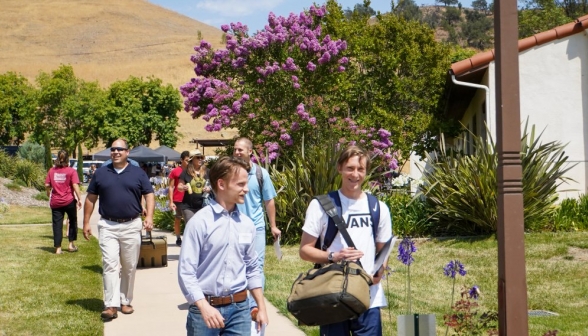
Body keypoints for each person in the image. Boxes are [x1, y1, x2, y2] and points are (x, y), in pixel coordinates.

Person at [299, 145, 393, 336]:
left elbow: (384, 251)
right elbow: (305, 250)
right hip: (333, 296)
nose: (355, 174)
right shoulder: (321, 206)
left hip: (368, 298)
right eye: (350, 168)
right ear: (340, 168)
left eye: (361, 169)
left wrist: (379, 273)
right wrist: (334, 256)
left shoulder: (379, 208)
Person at [178, 156, 269, 335]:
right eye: (241, 184)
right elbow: (186, 272)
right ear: (221, 184)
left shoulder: (247, 224)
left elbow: (252, 268)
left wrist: (261, 306)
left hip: (240, 311)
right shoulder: (199, 223)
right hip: (205, 311)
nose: (246, 189)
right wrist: (203, 307)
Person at [82, 138, 155, 321]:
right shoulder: (101, 173)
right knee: (110, 265)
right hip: (108, 225)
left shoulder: (138, 173)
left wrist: (149, 217)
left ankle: (125, 300)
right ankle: (111, 305)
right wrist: (86, 223)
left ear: (127, 152)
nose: (116, 152)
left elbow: (149, 194)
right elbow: (91, 199)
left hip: (131, 225)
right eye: (113, 149)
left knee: (129, 266)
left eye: (120, 149)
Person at [232, 137, 280, 320]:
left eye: (240, 150)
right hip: (235, 226)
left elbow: (269, 201)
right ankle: (240, 300)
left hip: (256, 228)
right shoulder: (231, 173)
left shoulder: (261, 174)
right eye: (235, 149)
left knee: (256, 267)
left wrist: (273, 226)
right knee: (238, 264)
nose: (237, 152)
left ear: (250, 152)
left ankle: (253, 306)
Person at [45, 150, 82, 254]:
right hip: (69, 201)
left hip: (56, 202)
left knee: (57, 224)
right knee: (73, 221)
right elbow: (75, 185)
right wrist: (79, 198)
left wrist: (48, 192)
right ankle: (71, 245)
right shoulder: (71, 171)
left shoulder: (52, 171)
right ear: (67, 158)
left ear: (57, 158)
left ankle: (58, 249)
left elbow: (47, 185)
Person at [177, 149, 211, 223]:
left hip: (204, 206)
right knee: (191, 225)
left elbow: (214, 185)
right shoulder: (186, 172)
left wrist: (209, 188)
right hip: (188, 206)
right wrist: (183, 187)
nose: (200, 159)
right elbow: (179, 186)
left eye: (201, 157)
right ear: (192, 159)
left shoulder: (207, 171)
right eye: (198, 157)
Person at [168, 150, 190, 246]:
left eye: (189, 160)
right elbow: (171, 187)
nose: (188, 162)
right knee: (178, 219)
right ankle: (178, 237)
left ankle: (188, 239)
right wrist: (171, 201)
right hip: (178, 199)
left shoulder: (192, 171)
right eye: (186, 160)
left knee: (189, 221)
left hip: (189, 199)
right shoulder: (175, 171)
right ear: (181, 160)